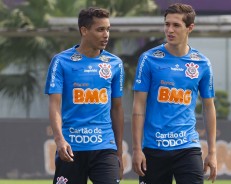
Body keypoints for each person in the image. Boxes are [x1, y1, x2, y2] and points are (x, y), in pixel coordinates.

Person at [131, 3, 217, 184]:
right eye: (167, 24)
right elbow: (139, 106)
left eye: (176, 25)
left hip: (187, 147)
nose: (169, 30)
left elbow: (209, 108)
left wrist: (212, 152)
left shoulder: (202, 63)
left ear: (189, 28)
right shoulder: (149, 59)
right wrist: (137, 149)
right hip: (154, 148)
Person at [45, 7, 124, 184]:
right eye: (100, 29)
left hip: (104, 147)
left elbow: (117, 108)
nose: (106, 35)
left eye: (108, 29)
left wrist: (118, 152)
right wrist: (59, 139)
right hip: (71, 147)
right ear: (84, 30)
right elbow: (54, 105)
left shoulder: (115, 64)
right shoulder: (60, 61)